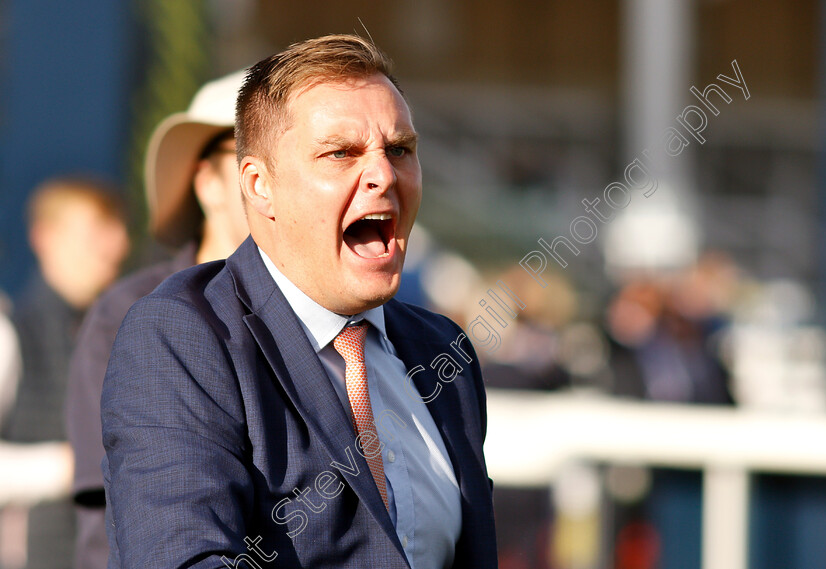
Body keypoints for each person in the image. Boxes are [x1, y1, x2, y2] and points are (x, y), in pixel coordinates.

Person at [101, 35, 497, 568]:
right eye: (341, 153)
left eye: (400, 149)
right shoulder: (183, 336)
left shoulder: (442, 348)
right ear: (260, 186)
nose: (383, 174)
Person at [65, 70, 249, 569]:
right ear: (207, 182)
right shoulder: (127, 314)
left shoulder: (336, 321)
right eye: (252, 157)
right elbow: (108, 511)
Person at [3, 177, 128, 569]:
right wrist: (71, 463)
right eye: (97, 230)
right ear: (46, 237)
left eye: (118, 228)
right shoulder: (10, 335)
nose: (116, 245)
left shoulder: (123, 332)